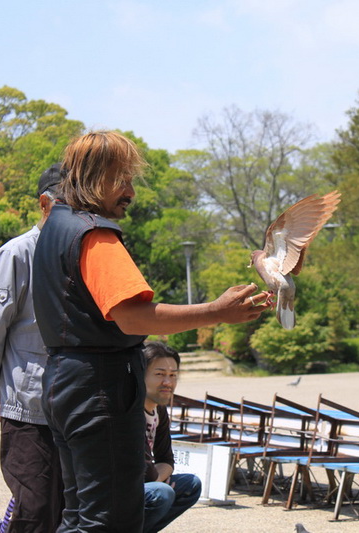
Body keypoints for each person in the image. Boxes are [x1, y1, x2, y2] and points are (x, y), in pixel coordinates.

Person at [31, 131, 271, 532]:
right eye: (121, 179)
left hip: (64, 381)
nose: (130, 192)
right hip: (99, 388)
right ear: (92, 177)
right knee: (110, 519)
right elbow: (132, 317)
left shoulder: (55, 225)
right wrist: (215, 311)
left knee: (78, 514)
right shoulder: (94, 234)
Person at [0, 164, 65, 532]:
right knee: (35, 506)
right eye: (69, 206)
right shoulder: (16, 255)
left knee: (68, 509)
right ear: (45, 204)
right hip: (28, 406)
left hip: (75, 407)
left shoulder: (85, 256)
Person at [142, 342, 202, 532]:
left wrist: (155, 478)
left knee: (191, 484)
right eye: (159, 374)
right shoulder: (130, 413)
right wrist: (155, 480)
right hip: (115, 492)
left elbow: (166, 459)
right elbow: (139, 469)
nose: (168, 382)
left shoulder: (159, 409)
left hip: (144, 482)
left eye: (172, 375)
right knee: (161, 493)